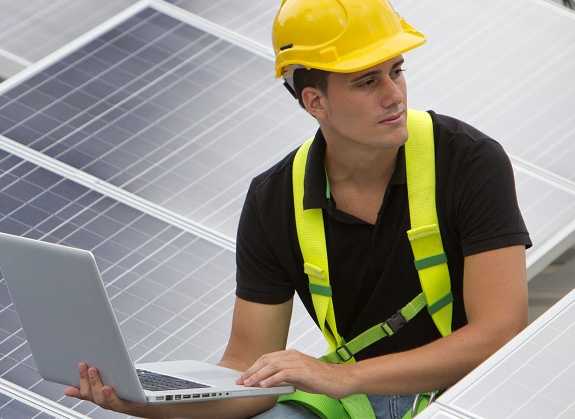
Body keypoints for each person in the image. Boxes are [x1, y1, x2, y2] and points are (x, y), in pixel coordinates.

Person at [65, 0, 531, 417]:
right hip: (361, 403)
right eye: (367, 81)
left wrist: (344, 377)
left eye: (397, 70)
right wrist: (141, 402)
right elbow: (247, 369)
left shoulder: (469, 160)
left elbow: (499, 333)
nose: (393, 94)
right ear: (315, 101)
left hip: (475, 394)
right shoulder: (273, 200)